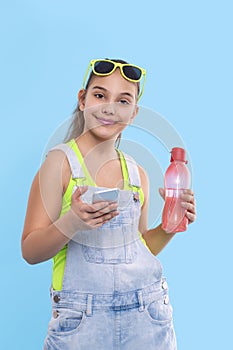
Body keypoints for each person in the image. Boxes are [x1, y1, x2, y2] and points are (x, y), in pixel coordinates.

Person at [21, 58, 196, 350]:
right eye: (100, 95)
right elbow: (30, 250)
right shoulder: (59, 165)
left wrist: (170, 226)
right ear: (82, 100)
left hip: (147, 316)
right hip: (82, 323)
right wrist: (71, 223)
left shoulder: (137, 173)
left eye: (123, 100)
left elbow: (139, 248)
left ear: (134, 113)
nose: (109, 107)